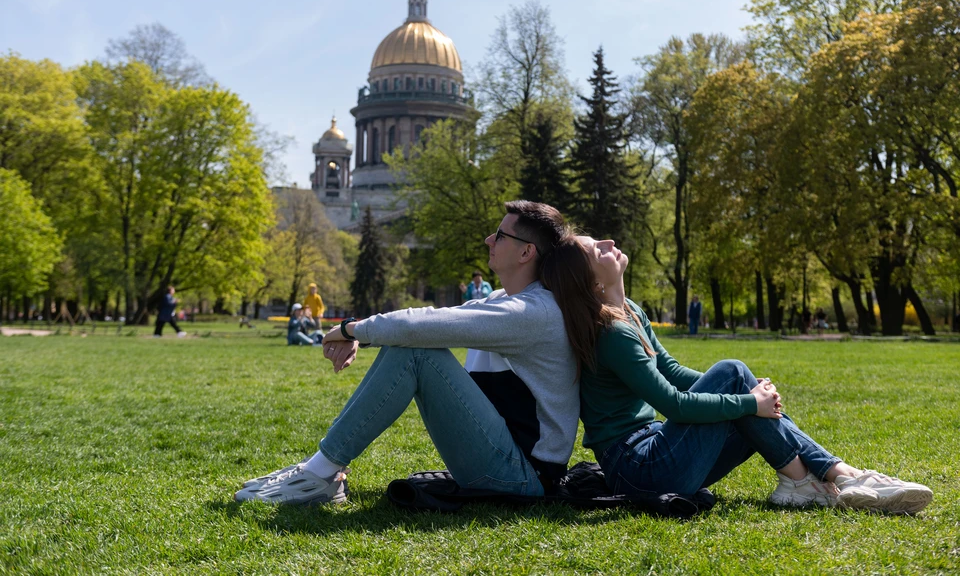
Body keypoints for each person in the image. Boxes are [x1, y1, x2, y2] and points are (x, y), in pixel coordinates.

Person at [539, 234, 934, 514]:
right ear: (592, 281)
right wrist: (747, 398)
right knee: (733, 374)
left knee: (739, 380)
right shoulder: (610, 333)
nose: (608, 243)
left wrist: (750, 394)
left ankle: (822, 480)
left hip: (658, 451)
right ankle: (826, 478)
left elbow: (673, 372)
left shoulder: (632, 313)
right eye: (596, 249)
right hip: (638, 469)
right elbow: (672, 402)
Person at [235, 201, 578, 505]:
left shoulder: (533, 312)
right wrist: (363, 333)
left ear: (526, 252)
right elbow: (430, 321)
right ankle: (319, 470)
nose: (489, 240)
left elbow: (419, 327)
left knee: (416, 351)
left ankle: (319, 473)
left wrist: (348, 329)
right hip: (506, 461)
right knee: (414, 343)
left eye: (501, 236)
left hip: (523, 476)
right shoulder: (501, 301)